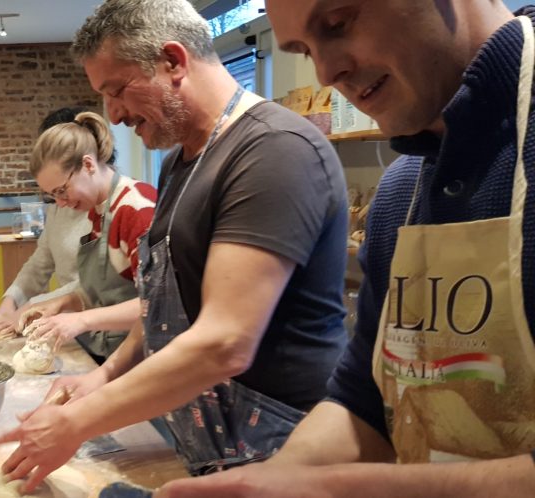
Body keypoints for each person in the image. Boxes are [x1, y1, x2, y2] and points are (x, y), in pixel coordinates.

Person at [151, 2, 535, 496]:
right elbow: (364, 401)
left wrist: (338, 488)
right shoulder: (400, 192)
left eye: (338, 23)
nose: (326, 73)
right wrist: (270, 481)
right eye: (304, 51)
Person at [0, 0, 349, 492]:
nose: (113, 115)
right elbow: (162, 308)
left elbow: (225, 343)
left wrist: (77, 422)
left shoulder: (274, 151)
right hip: (212, 441)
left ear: (173, 61)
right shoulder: (181, 164)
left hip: (282, 450)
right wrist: (104, 376)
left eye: (116, 90)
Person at [19, 111, 157, 361]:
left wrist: (81, 320)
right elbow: (108, 291)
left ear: (88, 165)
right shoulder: (99, 211)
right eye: (53, 196)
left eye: (62, 190)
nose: (61, 203)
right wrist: (65, 302)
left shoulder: (135, 209)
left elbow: (156, 304)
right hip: (112, 350)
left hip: (143, 357)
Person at [0, 107, 94, 338]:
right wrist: (10, 302)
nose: (59, 200)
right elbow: (40, 262)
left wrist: (32, 306)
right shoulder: (59, 206)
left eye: (61, 189)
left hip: (100, 327)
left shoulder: (110, 207)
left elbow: (95, 283)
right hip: (72, 328)